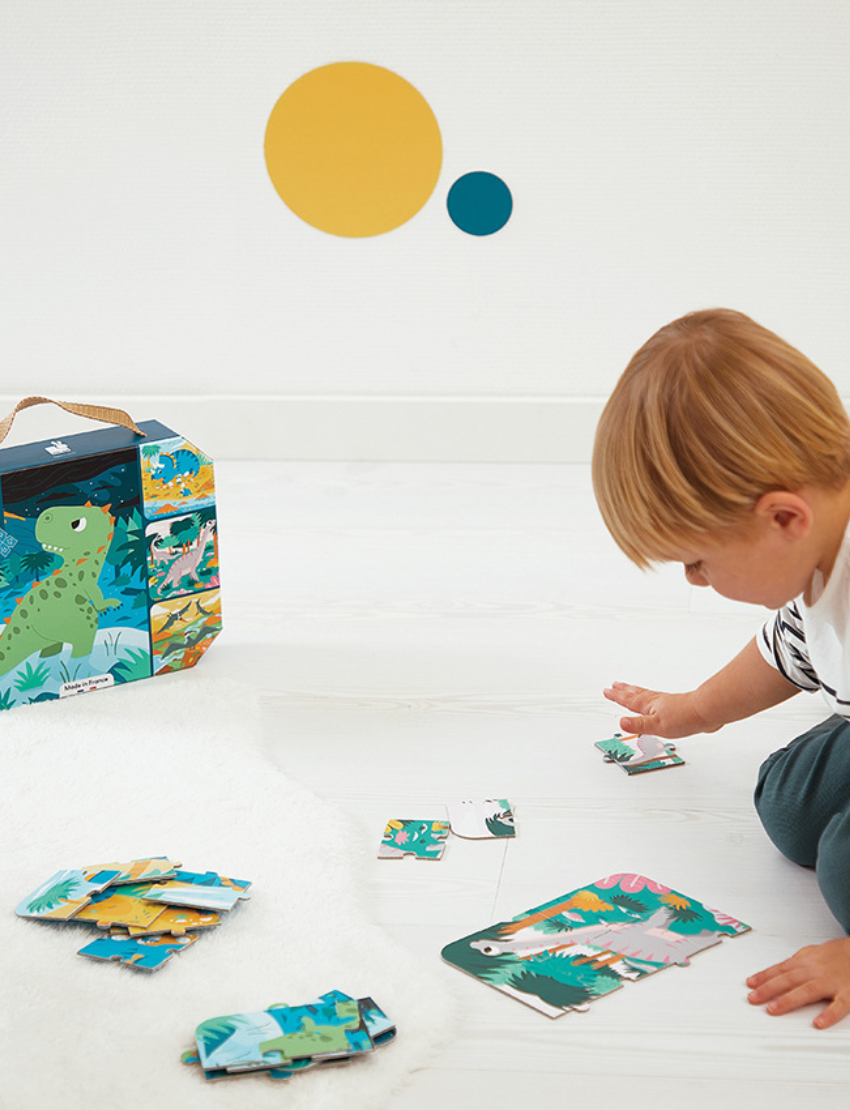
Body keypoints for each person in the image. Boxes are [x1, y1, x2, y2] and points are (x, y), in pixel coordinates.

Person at [591, 308, 850, 1029]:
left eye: (699, 561)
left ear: (784, 519)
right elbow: (794, 646)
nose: (694, 580)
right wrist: (698, 709)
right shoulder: (820, 541)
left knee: (840, 863)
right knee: (788, 806)